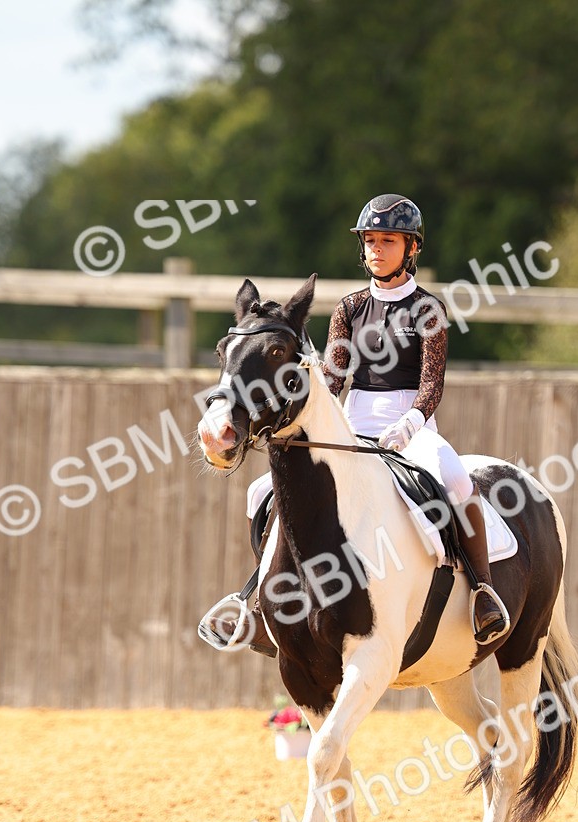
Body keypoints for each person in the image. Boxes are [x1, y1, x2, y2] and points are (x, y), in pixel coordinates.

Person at [201, 192, 510, 657]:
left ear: (411, 248)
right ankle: (261, 603)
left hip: (412, 424)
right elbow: (335, 375)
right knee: (258, 492)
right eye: (370, 240)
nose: (377, 249)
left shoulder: (428, 309)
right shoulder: (348, 307)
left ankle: (483, 592)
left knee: (456, 479)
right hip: (354, 421)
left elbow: (431, 385)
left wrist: (409, 426)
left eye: (388, 240)